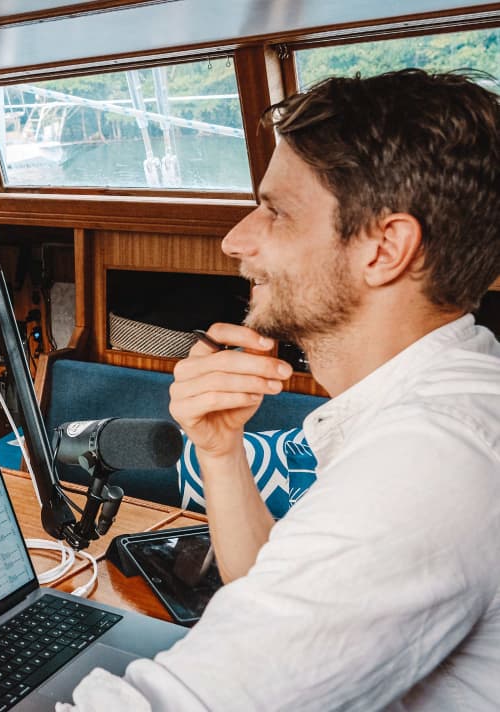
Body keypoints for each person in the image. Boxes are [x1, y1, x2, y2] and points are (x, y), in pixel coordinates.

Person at [61, 69, 500, 711]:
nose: (236, 240)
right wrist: (219, 449)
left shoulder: (431, 459)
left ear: (386, 248)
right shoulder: (449, 396)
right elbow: (265, 588)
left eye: (275, 212)